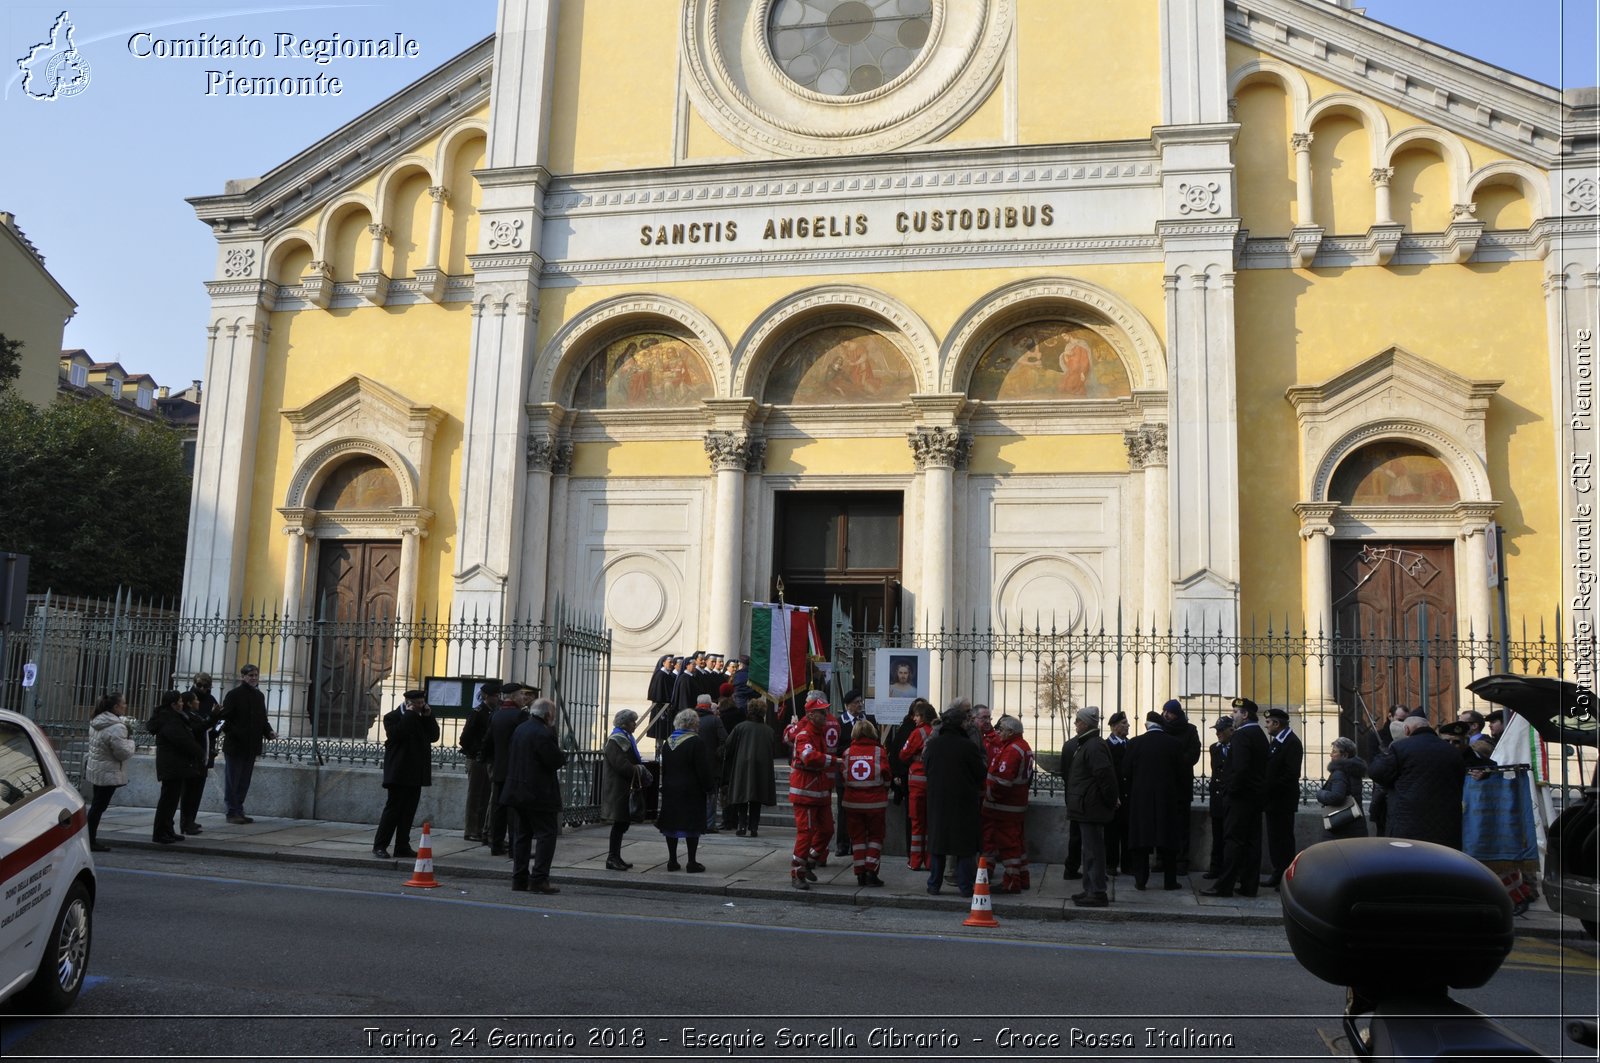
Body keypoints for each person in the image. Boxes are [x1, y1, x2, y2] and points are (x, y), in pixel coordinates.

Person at [1201, 697, 1270, 898]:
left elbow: (1239, 769)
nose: (1233, 716)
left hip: (1239, 799)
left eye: (1235, 712)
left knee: (1233, 841)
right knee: (1252, 842)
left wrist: (1230, 791)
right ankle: (1249, 885)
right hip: (1255, 798)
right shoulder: (1259, 734)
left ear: (1245, 714)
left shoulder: (1242, 736)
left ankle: (1224, 886)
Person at [1368, 714, 1467, 849]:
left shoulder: (1400, 748)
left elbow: (1376, 772)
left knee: (1408, 864)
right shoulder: (1453, 751)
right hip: (1446, 824)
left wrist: (1383, 755)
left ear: (1407, 730)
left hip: (1408, 821)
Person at [500, 697, 566, 893]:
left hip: (517, 791)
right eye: (552, 715)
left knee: (522, 835)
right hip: (538, 793)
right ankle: (539, 879)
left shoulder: (521, 729)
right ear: (547, 715)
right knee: (547, 835)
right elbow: (554, 760)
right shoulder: (543, 733)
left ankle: (519, 878)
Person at [1122, 703, 1187, 891]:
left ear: (1146, 726)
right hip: (1167, 800)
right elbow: (1182, 774)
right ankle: (1170, 881)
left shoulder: (1134, 743)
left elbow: (1125, 771)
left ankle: (1141, 880)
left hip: (1140, 800)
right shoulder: (1174, 744)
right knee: (1168, 842)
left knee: (1141, 842)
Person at [924, 704, 986, 896]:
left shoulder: (933, 744)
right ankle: (966, 887)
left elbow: (927, 768)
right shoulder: (968, 746)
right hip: (963, 801)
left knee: (937, 845)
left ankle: (934, 884)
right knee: (965, 847)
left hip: (938, 801)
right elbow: (980, 772)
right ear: (961, 724)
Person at [372, 689, 440, 859]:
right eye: (418, 703)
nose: (421, 705)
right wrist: (410, 714)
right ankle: (380, 845)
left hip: (416, 772)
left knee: (409, 811)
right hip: (399, 771)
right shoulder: (392, 717)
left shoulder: (422, 716)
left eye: (422, 702)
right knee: (393, 810)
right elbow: (397, 734)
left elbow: (434, 736)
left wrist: (428, 716)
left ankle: (402, 846)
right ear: (409, 703)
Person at [1063, 706, 1119, 907]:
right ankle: (1090, 889)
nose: (1075, 724)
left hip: (1091, 807)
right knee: (1089, 850)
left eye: (1078, 720)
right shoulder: (1087, 743)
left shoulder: (1094, 745)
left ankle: (1096, 892)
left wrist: (1111, 800)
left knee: (1094, 850)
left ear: (1086, 723)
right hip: (1086, 806)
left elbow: (1105, 776)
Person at [786, 691, 839, 889]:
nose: (826, 716)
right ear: (810, 715)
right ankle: (797, 873)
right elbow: (808, 756)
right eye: (821, 713)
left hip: (818, 791)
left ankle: (809, 860)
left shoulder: (817, 734)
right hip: (805, 792)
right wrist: (834, 761)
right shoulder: (805, 734)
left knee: (827, 830)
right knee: (805, 833)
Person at [657, 707, 714, 872]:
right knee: (692, 826)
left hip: (670, 788)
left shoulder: (668, 742)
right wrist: (709, 787)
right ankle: (691, 861)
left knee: (671, 825)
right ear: (693, 723)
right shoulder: (696, 742)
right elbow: (702, 769)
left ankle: (672, 860)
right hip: (691, 790)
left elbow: (665, 767)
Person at [981, 715, 1034, 893]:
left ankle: (1011, 882)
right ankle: (1022, 877)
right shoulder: (1022, 746)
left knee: (1008, 845)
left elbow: (1003, 782)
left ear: (1011, 732)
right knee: (1017, 843)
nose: (998, 732)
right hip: (1014, 806)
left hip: (1004, 807)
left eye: (1001, 729)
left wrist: (990, 796)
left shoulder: (1012, 750)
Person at [220, 663, 274, 824]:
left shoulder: (259, 696)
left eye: (256, 675)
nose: (254, 678)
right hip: (235, 745)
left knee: (244, 781)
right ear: (243, 677)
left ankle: (239, 809)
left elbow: (262, 719)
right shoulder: (233, 695)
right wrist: (235, 733)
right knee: (233, 780)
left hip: (251, 745)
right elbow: (224, 719)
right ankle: (232, 812)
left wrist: (269, 732)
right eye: (250, 675)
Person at [148, 689, 204, 844]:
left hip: (176, 765)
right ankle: (160, 832)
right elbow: (182, 740)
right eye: (179, 701)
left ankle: (168, 830)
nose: (181, 704)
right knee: (168, 801)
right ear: (173, 704)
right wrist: (198, 751)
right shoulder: (169, 719)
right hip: (172, 765)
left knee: (171, 801)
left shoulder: (172, 717)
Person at [841, 718, 891, 886]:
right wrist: (884, 789)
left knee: (857, 839)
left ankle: (860, 873)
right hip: (875, 803)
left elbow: (843, 776)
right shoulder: (879, 752)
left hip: (852, 803)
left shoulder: (847, 752)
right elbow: (886, 776)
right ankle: (871, 870)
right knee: (876, 837)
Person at [83, 691, 136, 852]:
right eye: (123, 703)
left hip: (96, 768)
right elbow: (122, 752)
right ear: (115, 707)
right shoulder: (117, 727)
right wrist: (131, 742)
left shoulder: (96, 721)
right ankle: (89, 839)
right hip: (108, 771)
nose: (125, 706)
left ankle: (88, 837)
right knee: (99, 807)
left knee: (96, 806)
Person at [483, 682, 531, 856]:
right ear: (513, 697)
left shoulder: (496, 715)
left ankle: (496, 845)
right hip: (516, 770)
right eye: (521, 695)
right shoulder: (520, 716)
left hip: (499, 769)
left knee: (498, 809)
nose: (523, 698)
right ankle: (514, 847)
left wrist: (491, 761)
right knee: (515, 810)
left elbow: (487, 742)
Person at [601, 708, 651, 871]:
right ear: (624, 723)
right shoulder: (616, 740)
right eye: (632, 721)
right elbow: (620, 764)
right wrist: (638, 770)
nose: (635, 724)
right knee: (619, 824)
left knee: (622, 824)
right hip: (618, 788)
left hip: (624, 787)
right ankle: (612, 858)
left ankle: (616, 856)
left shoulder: (625, 737)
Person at [1260, 706, 1304, 889]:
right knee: (1275, 839)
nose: (1266, 725)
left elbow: (1290, 774)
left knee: (1283, 839)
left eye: (1269, 722)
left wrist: (1270, 786)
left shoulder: (1291, 742)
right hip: (1273, 800)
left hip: (1282, 799)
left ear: (1277, 724)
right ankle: (1278, 872)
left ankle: (1285, 876)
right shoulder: (1277, 741)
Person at [725, 697, 777, 836]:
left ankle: (742, 826)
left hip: (742, 765)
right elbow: (773, 749)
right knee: (756, 798)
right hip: (762, 766)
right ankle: (753, 827)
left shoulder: (740, 727)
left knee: (742, 796)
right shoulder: (768, 730)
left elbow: (728, 745)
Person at [458, 679, 501, 844]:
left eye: (498, 695)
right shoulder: (477, 712)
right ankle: (471, 830)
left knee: (486, 795)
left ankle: (481, 828)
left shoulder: (493, 712)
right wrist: (477, 751)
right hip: (476, 758)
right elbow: (465, 738)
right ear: (486, 696)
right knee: (475, 795)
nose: (498, 698)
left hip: (487, 758)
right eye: (495, 696)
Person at [1161, 699, 1202, 874]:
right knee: (1162, 825)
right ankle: (1162, 860)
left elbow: (1194, 754)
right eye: (1164, 711)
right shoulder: (1161, 729)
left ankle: (1181, 861)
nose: (1165, 715)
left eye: (1168, 712)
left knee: (1181, 826)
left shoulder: (1190, 730)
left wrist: (1175, 761)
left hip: (1181, 785)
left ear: (1176, 713)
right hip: (1163, 785)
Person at [834, 688, 875, 856]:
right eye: (856, 702)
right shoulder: (839, 723)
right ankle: (842, 843)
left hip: (862, 772)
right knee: (843, 809)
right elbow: (836, 747)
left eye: (860, 702)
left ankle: (857, 843)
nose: (860, 705)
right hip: (844, 770)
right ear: (848, 706)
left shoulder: (868, 721)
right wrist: (853, 748)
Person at [897, 699, 937, 870]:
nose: (914, 719)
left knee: (917, 823)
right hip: (934, 783)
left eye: (917, 715)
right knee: (931, 824)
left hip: (917, 784)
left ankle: (915, 861)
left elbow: (903, 755)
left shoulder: (917, 733)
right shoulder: (937, 732)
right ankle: (929, 861)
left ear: (922, 717)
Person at [177, 689, 218, 835]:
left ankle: (191, 820)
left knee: (196, 793)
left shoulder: (195, 715)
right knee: (189, 793)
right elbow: (199, 729)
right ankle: (186, 822)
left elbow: (207, 731)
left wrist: (218, 725)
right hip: (194, 761)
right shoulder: (187, 717)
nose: (198, 702)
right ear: (189, 703)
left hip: (202, 760)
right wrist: (213, 716)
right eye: (195, 700)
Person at [1315, 736, 1369, 840]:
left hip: (1340, 826)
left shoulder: (1340, 773)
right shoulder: (1354, 770)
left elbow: (1336, 796)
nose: (1331, 755)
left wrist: (1320, 794)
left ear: (1344, 755)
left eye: (1334, 752)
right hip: (1355, 824)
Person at [1203, 716, 1233, 879]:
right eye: (1217, 731)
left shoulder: (1235, 747)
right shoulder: (1215, 748)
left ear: (1231, 730)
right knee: (1217, 835)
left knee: (1230, 836)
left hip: (1229, 797)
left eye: (1221, 730)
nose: (1218, 734)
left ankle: (1229, 870)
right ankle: (1215, 867)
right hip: (1217, 798)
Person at [694, 694, 727, 831]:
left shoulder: (690, 719)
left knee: (696, 795)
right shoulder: (715, 721)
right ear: (709, 705)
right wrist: (719, 754)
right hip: (712, 765)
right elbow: (724, 739)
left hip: (693, 764)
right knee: (711, 796)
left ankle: (696, 822)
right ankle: (709, 824)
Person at [1104, 710, 1130, 876]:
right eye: (1124, 723)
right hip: (1114, 795)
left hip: (1128, 795)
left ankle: (1127, 864)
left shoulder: (1130, 744)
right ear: (1114, 727)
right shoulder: (1106, 746)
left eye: (1127, 723)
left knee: (1127, 831)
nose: (1127, 726)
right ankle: (1111, 864)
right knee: (1111, 833)